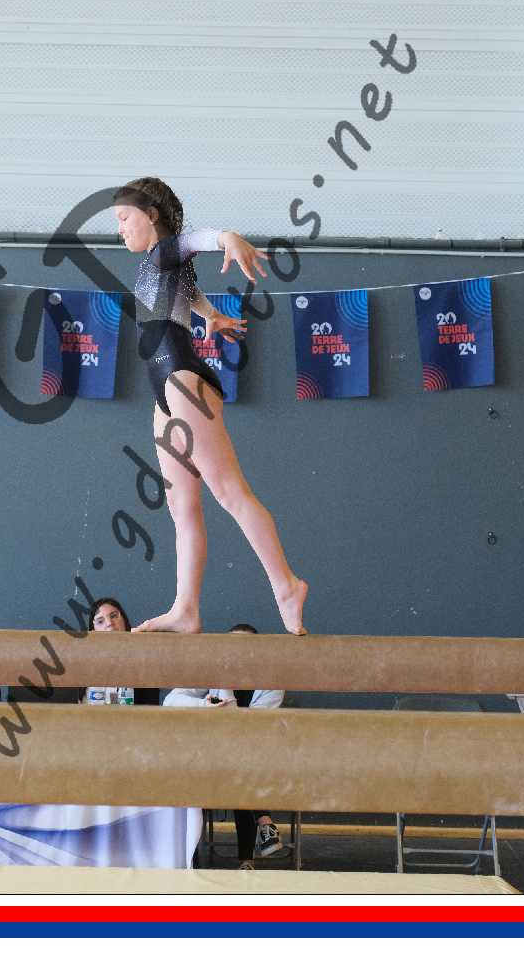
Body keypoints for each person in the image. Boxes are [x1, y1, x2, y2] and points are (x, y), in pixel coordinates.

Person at [112, 177, 308, 635]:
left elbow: (195, 240)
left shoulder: (168, 248)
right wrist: (211, 315)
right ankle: (186, 609)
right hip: (165, 391)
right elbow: (184, 292)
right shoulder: (158, 263)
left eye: (124, 218)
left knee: (229, 491)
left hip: (182, 381)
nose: (119, 228)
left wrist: (227, 238)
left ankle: (286, 584)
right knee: (181, 508)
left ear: (151, 215)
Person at [163, 623, 285, 869]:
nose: (237, 652)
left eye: (245, 647)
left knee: (240, 764)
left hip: (254, 756)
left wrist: (225, 693)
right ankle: (262, 826)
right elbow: (170, 700)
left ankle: (249, 855)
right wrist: (204, 705)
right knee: (236, 766)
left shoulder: (272, 683)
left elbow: (248, 728)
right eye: (230, 646)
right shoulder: (211, 673)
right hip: (213, 757)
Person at [80, 597, 161, 707]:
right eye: (100, 621)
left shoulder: (144, 661)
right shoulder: (82, 662)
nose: (109, 623)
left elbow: (150, 708)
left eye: (113, 616)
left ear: (124, 620)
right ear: (93, 630)